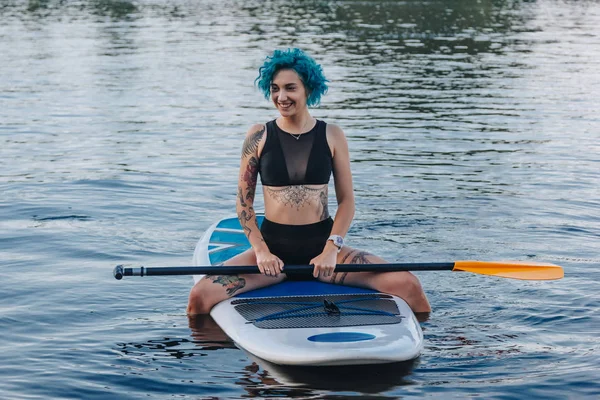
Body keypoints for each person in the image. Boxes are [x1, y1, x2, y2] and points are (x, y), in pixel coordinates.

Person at [187, 48, 431, 315]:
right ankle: (213, 350)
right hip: (272, 258)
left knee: (409, 285)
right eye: (275, 88)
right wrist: (261, 251)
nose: (281, 97)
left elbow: (347, 202)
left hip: (324, 255)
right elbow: (243, 204)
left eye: (290, 88)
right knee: (200, 296)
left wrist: (330, 249)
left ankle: (434, 349)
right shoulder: (258, 135)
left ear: (308, 89)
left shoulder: (332, 134)